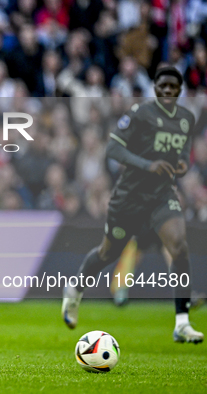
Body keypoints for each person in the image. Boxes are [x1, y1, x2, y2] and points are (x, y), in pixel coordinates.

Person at [61, 66, 204, 344]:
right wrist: (147, 165)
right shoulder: (140, 114)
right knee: (107, 253)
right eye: (161, 86)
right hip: (129, 197)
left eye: (171, 87)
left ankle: (182, 322)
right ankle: (75, 289)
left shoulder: (186, 118)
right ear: (154, 88)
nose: (165, 91)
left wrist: (183, 164)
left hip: (162, 196)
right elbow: (113, 149)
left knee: (178, 246)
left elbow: (183, 152)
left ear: (179, 90)